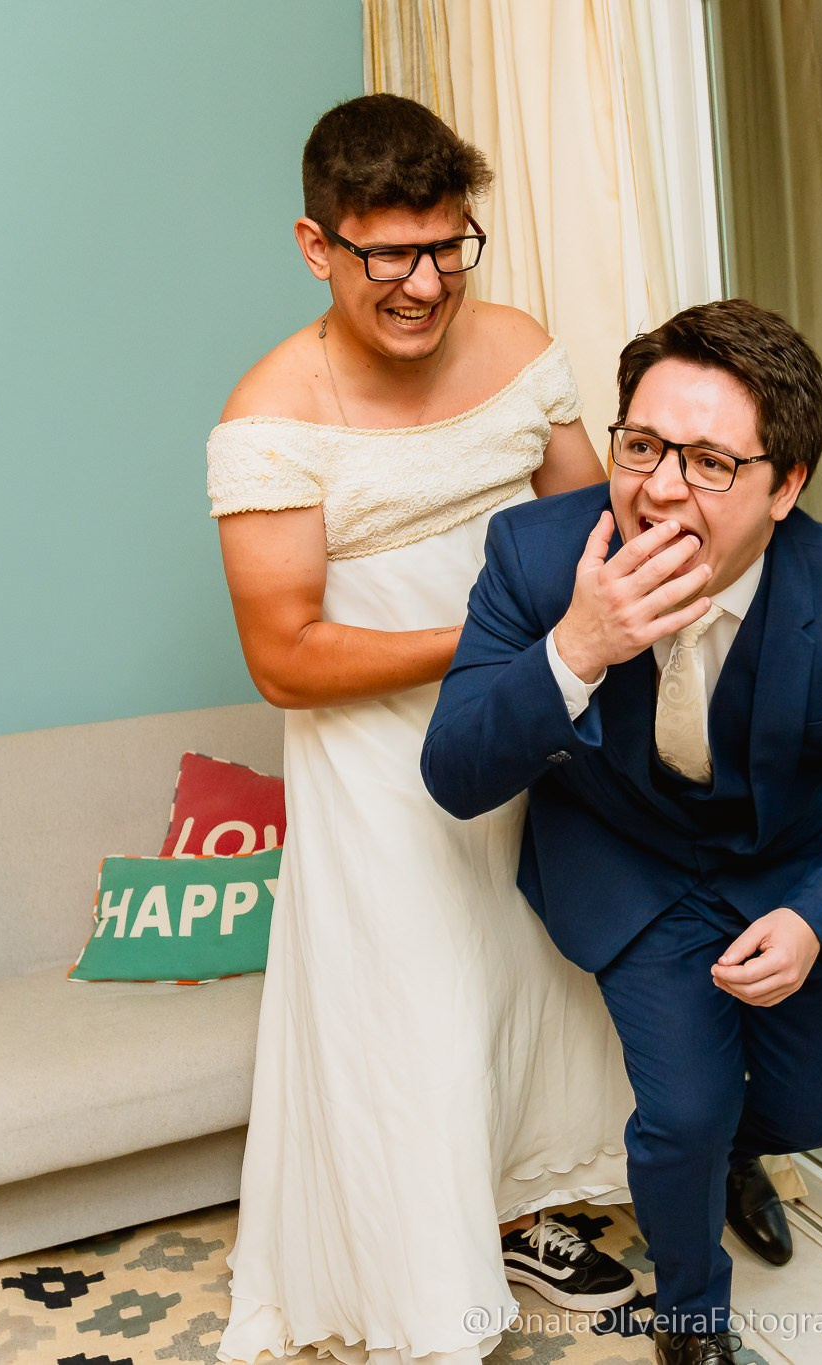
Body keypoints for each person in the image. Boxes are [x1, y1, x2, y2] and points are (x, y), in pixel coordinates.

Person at [420, 300, 822, 1365]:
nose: (660, 487)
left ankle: (738, 1160)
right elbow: (454, 774)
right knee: (684, 1112)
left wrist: (815, 916)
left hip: (788, 874)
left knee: (811, 1108)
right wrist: (577, 647)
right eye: (643, 445)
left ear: (784, 486)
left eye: (710, 463)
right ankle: (691, 1322)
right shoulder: (533, 560)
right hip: (629, 869)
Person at [206, 94, 638, 1365]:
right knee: (421, 1011)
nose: (422, 283)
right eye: (387, 253)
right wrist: (506, 645)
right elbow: (283, 658)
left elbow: (584, 524)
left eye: (446, 246)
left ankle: (519, 1210)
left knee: (534, 979)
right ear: (315, 245)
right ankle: (425, 1285)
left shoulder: (514, 343)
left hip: (532, 735)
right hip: (375, 771)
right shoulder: (269, 413)